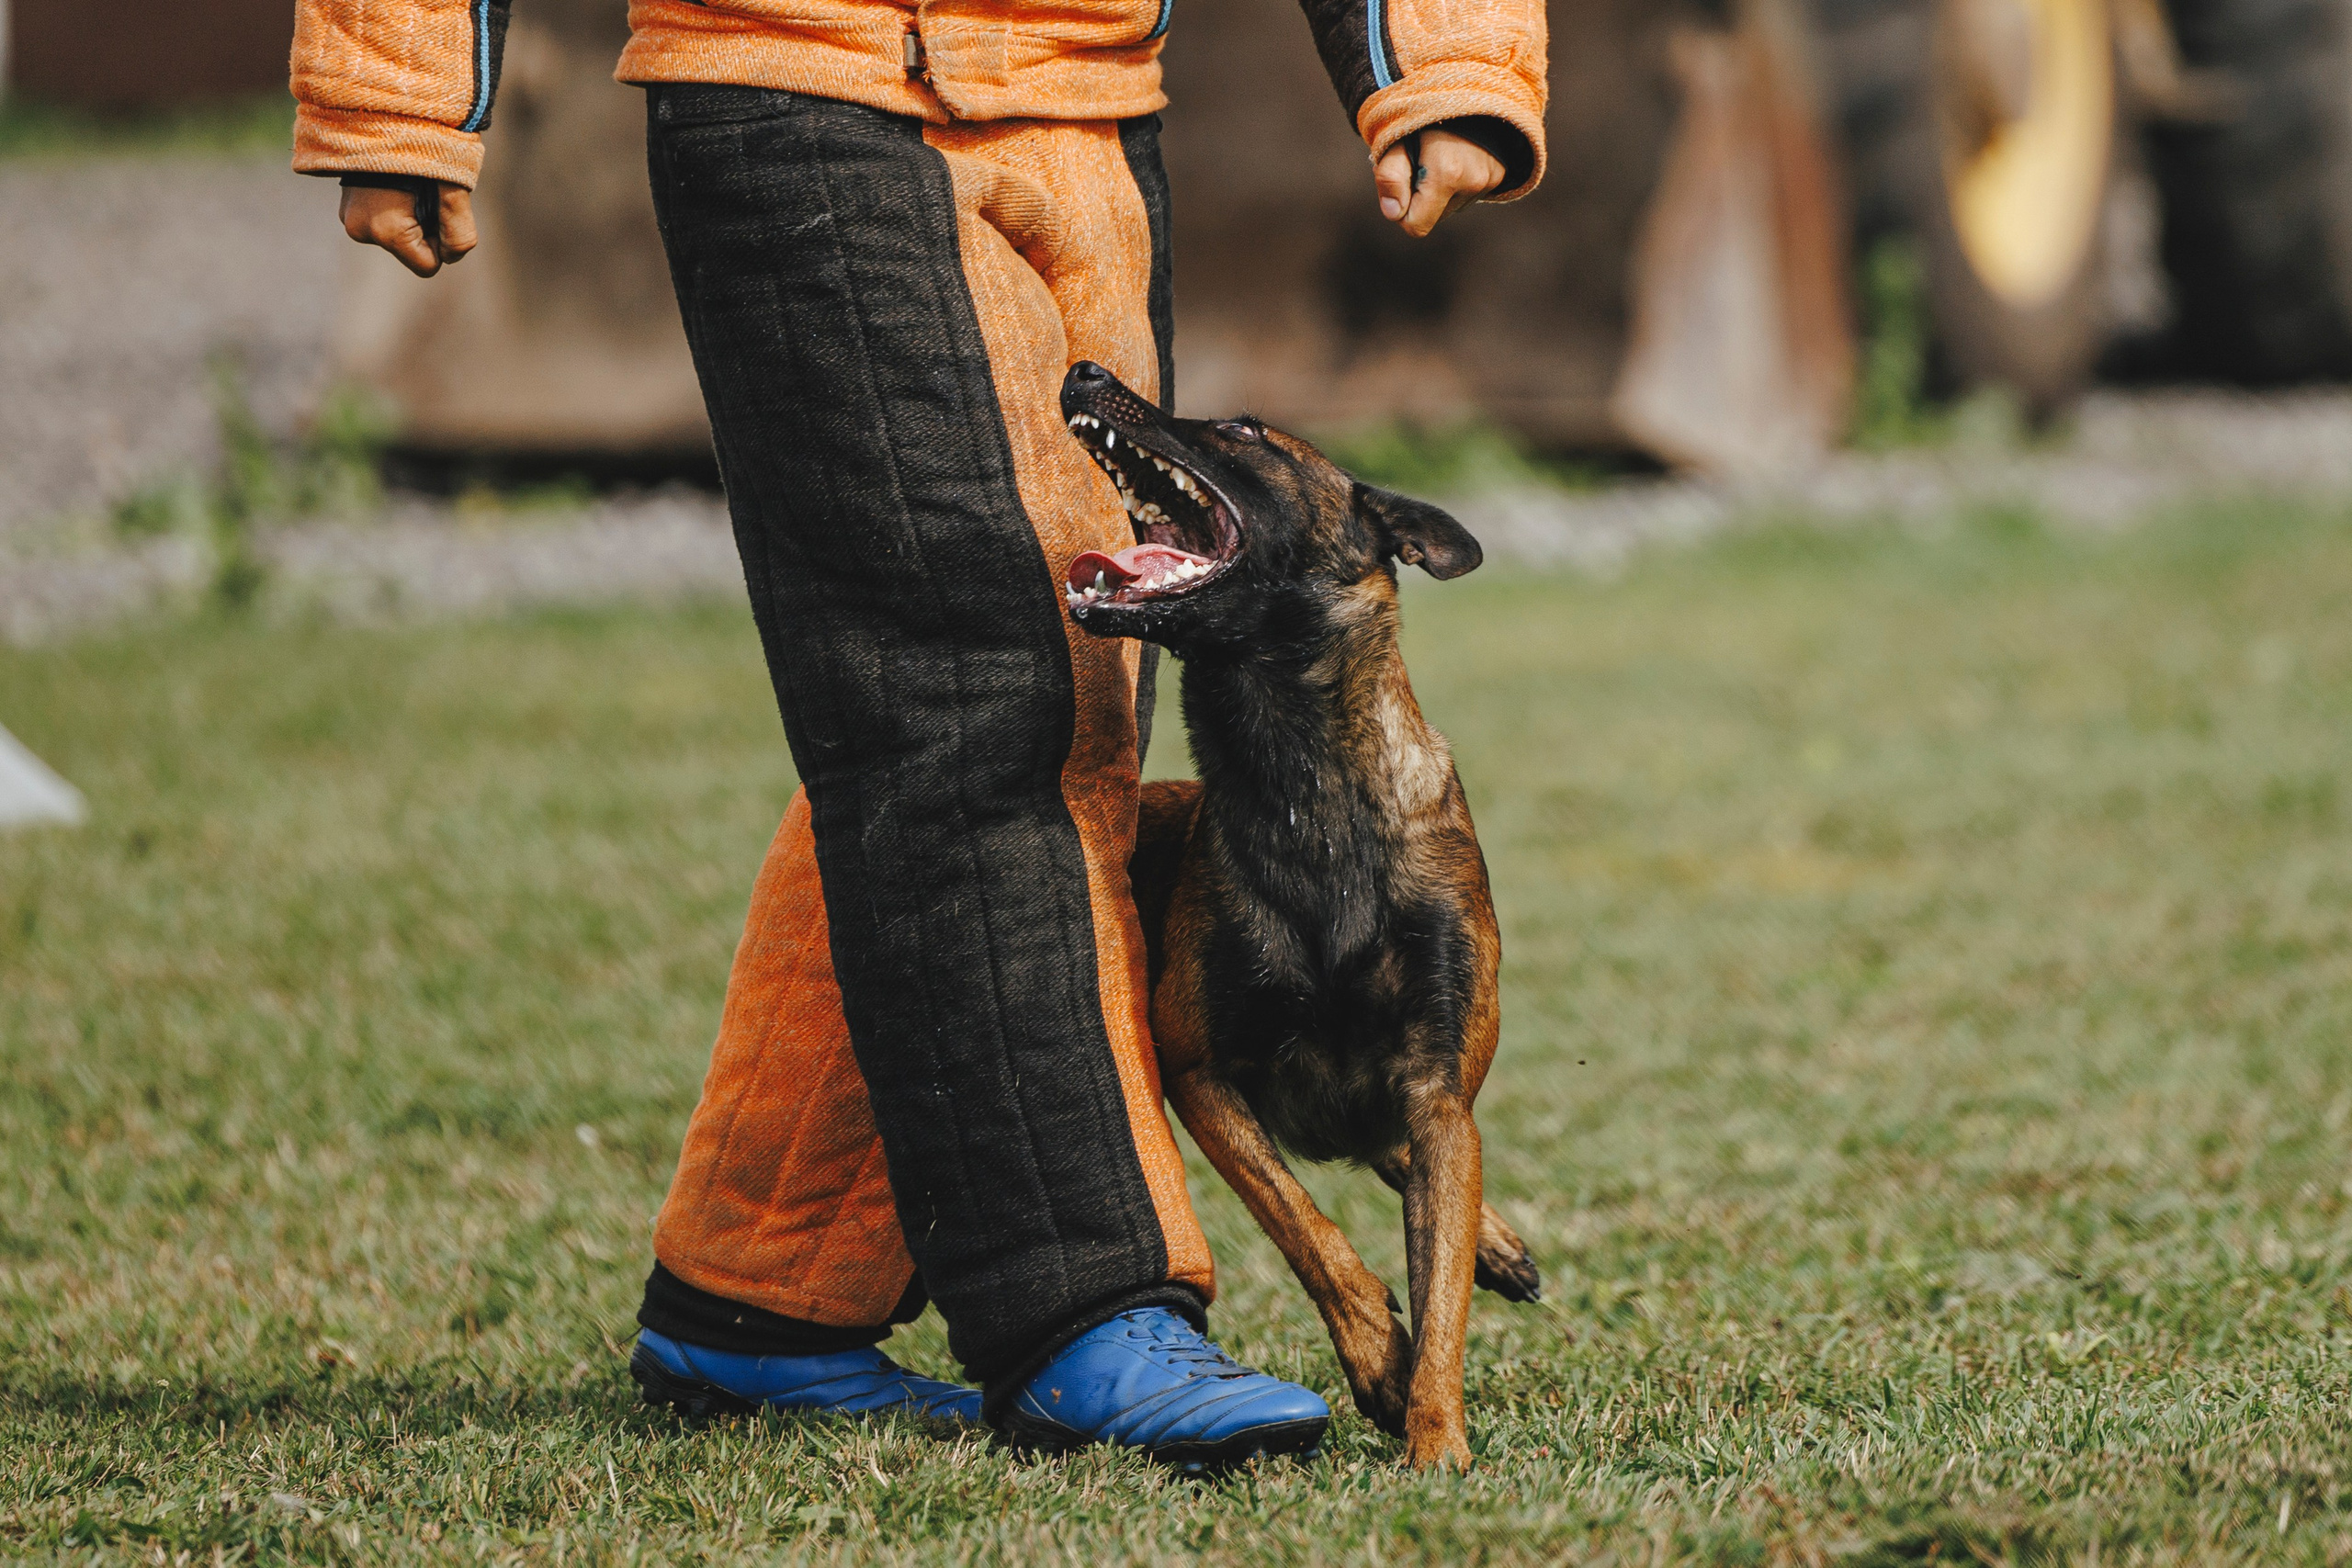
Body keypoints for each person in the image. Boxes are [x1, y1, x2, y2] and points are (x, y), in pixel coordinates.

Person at [291, 0, 1546, 1467]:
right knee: (979, 679)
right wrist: (397, 93)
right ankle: (1085, 1303)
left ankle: (761, 1293)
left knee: (1068, 685)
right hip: (797, 78)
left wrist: (1445, 55)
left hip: (1090, 98)